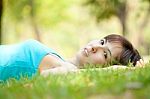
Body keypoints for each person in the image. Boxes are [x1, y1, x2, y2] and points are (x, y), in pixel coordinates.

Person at [0, 34, 143, 81]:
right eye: (102, 42)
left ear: (107, 67)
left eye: (105, 54)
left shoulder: (67, 69)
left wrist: (126, 70)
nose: (95, 47)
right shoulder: (61, 59)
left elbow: (46, 76)